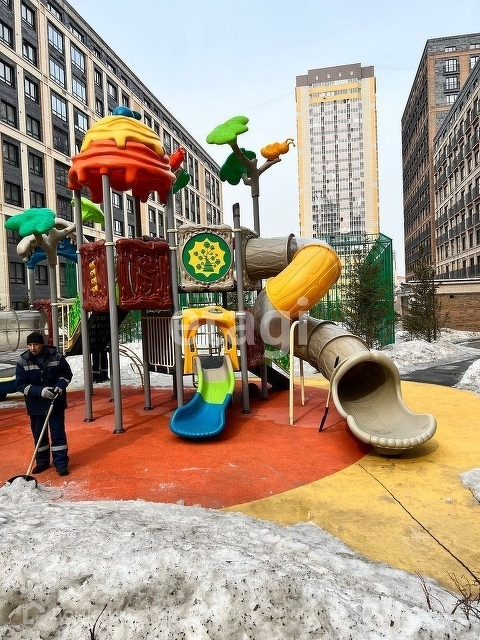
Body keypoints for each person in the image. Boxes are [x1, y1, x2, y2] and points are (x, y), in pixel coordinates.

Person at [15, 332, 73, 476]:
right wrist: (39, 391)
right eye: (30, 345)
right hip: (35, 405)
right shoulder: (23, 361)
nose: (32, 348)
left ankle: (61, 464)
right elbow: (20, 384)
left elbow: (66, 375)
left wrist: (60, 386)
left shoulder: (56, 357)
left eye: (35, 344)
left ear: (42, 344)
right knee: (39, 435)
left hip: (55, 402)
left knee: (58, 433)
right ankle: (42, 462)